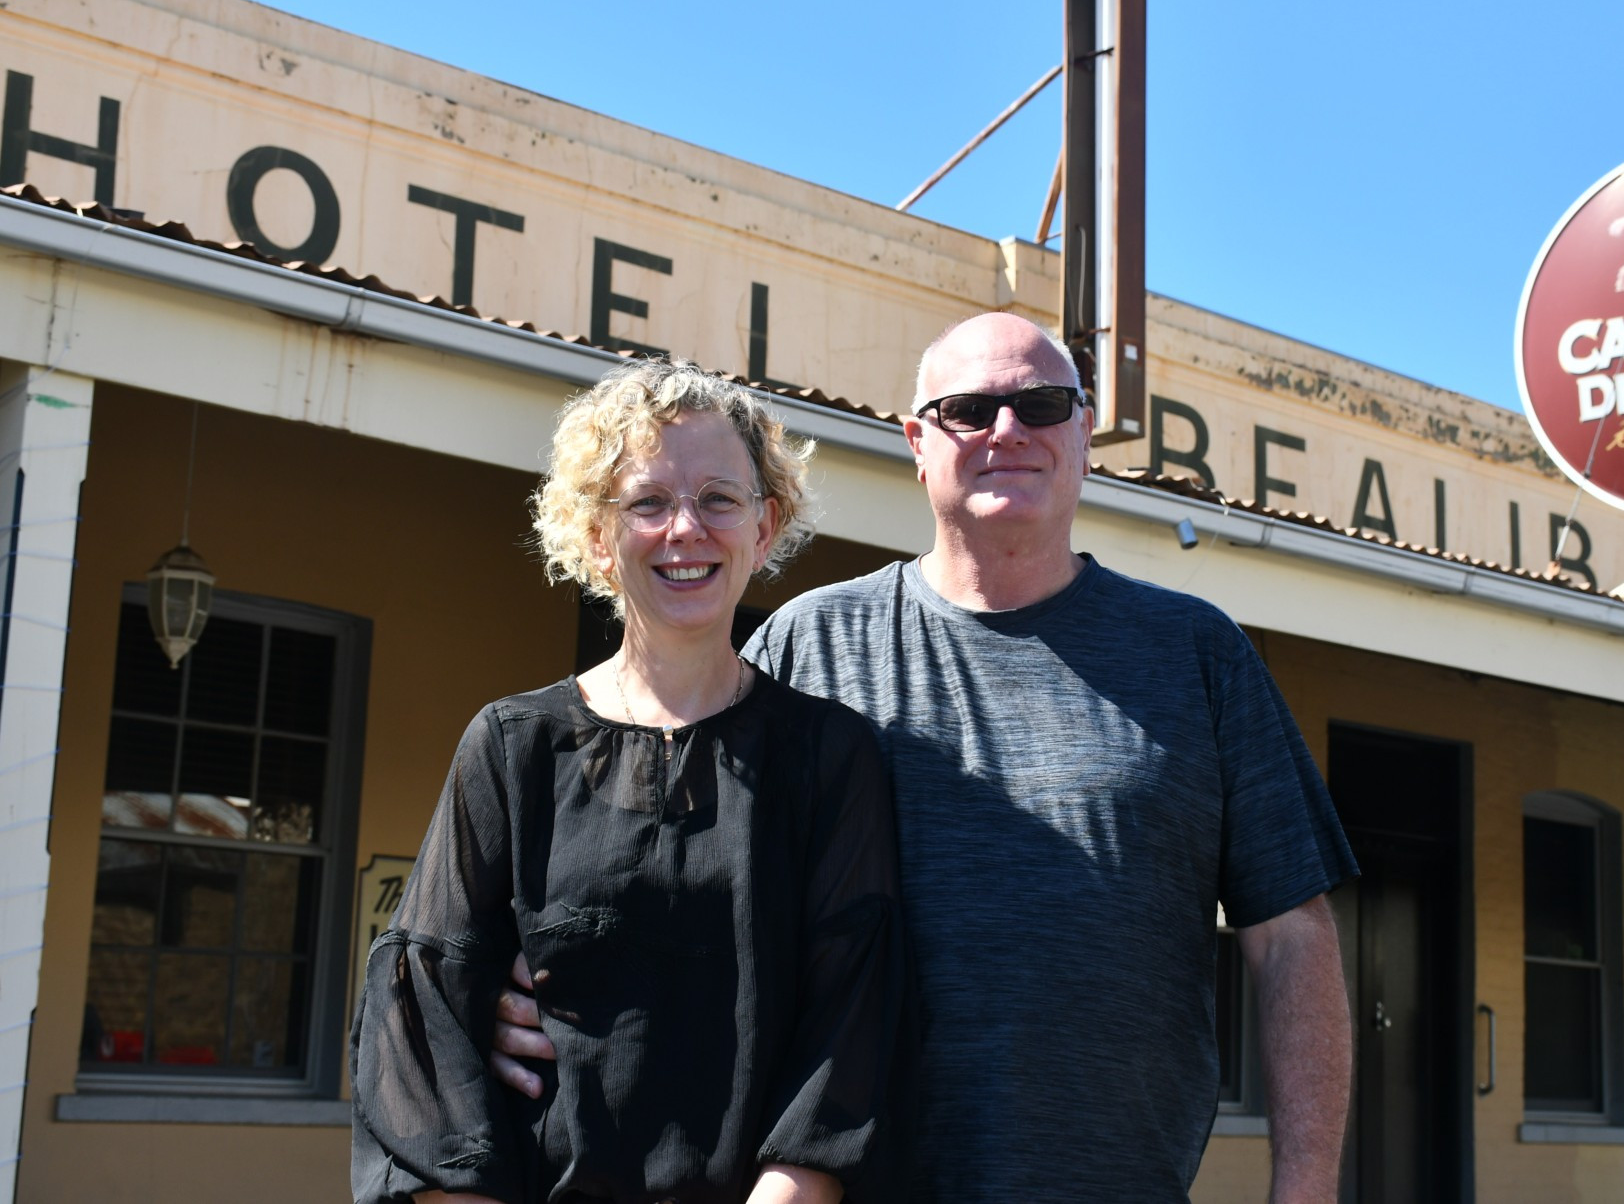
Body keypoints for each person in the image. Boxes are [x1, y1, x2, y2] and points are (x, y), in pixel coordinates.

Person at [493, 313, 1357, 1201]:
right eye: (969, 408)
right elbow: (675, 887)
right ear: (917, 441)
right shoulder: (807, 646)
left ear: (1085, 434)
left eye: (1041, 404)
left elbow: (1291, 934)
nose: (1008, 430)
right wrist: (540, 994)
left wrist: (1307, 1187)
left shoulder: (1197, 655)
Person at [351, 360, 913, 1204]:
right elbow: (426, 1029)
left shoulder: (831, 759)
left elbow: (850, 1038)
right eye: (647, 502)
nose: (684, 527)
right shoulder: (513, 748)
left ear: (765, 528)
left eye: (719, 498)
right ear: (596, 537)